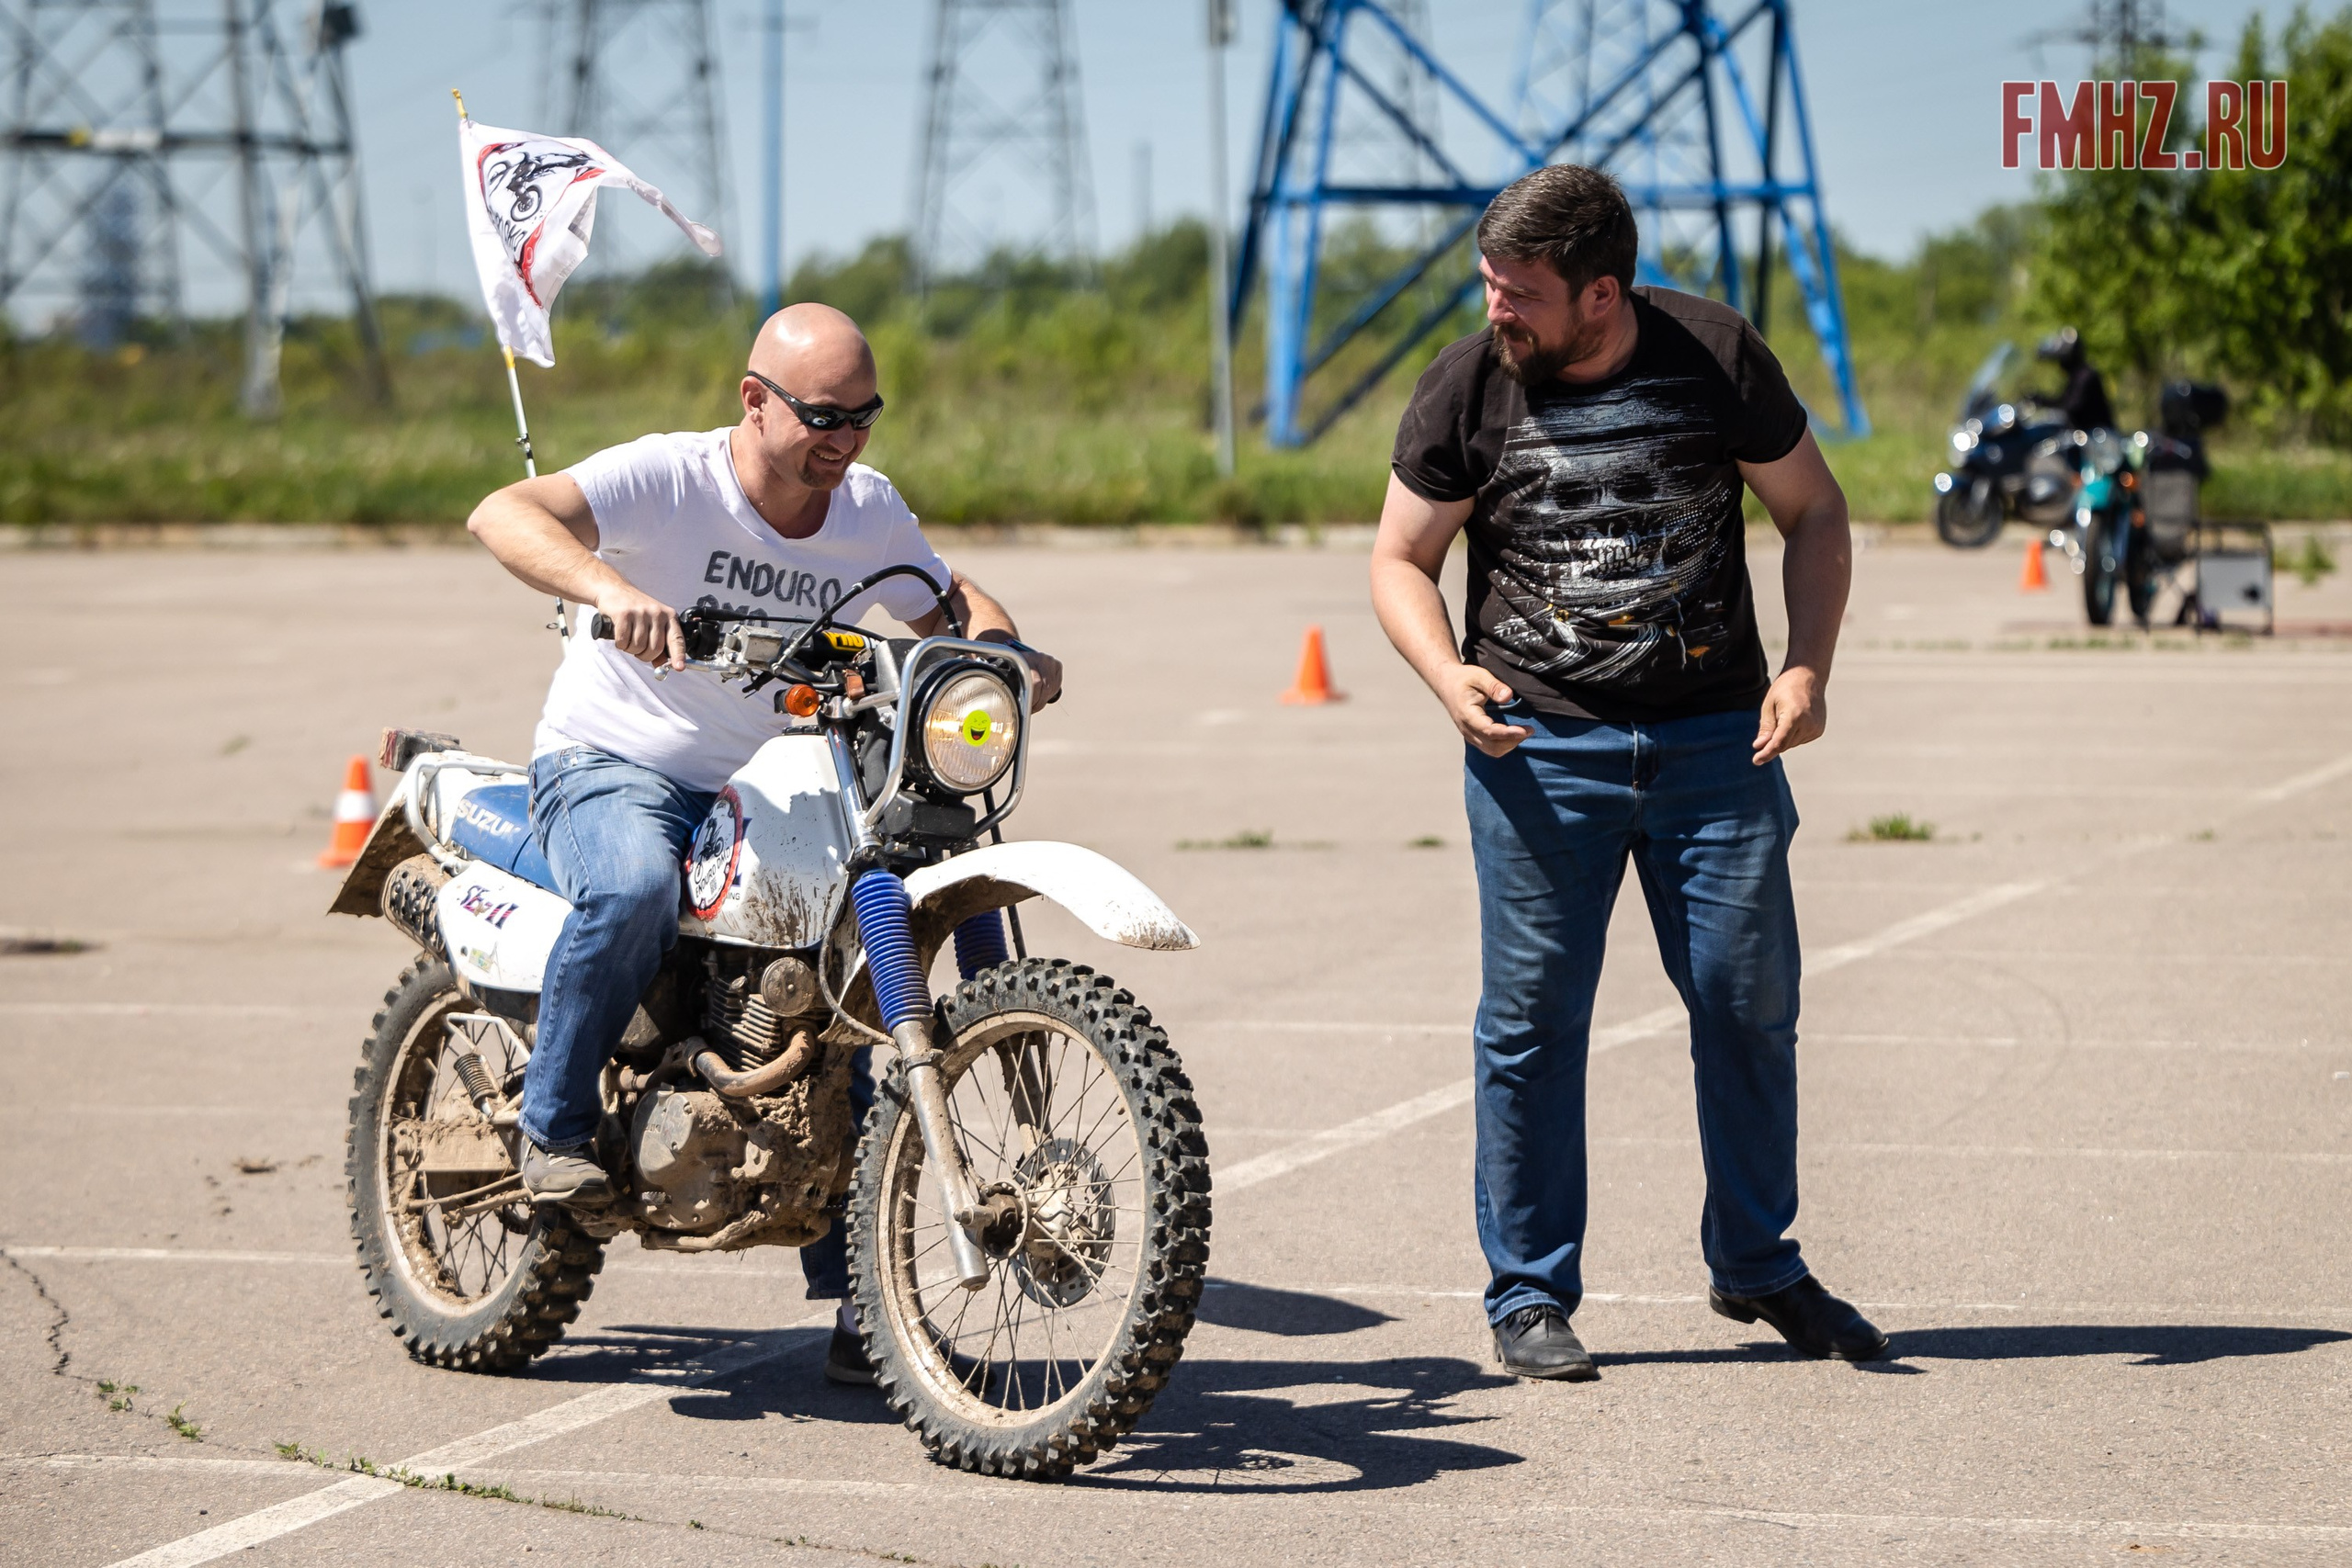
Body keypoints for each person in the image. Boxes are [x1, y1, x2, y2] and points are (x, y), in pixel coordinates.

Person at [466, 302, 1062, 1384]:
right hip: (616, 764)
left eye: (864, 419)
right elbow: (503, 512)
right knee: (636, 886)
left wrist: (1002, 650)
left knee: (857, 996)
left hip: (779, 779)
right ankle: (550, 1133)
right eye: (823, 416)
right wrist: (612, 589)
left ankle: (862, 1307)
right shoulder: (669, 478)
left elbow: (948, 599)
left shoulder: (866, 511)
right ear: (755, 399)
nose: (843, 441)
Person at [1367, 164, 1886, 1382]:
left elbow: (1815, 511)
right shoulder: (1467, 384)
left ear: (1604, 293)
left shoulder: (1715, 356)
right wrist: (1448, 674)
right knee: (1534, 1024)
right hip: (1540, 750)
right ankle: (1529, 1292)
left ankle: (1758, 1261)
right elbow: (1401, 557)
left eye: (1524, 293)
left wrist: (1807, 666)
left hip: (1717, 745)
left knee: (1751, 1003)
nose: (1499, 311)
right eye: (1491, 284)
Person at [2037, 326, 2115, 433]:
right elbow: (2064, 401)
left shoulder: (2086, 375)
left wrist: (2047, 406)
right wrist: (2041, 400)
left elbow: (2073, 406)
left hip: (2099, 436)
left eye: (2062, 359)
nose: (2060, 364)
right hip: (2085, 436)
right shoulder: (2076, 378)